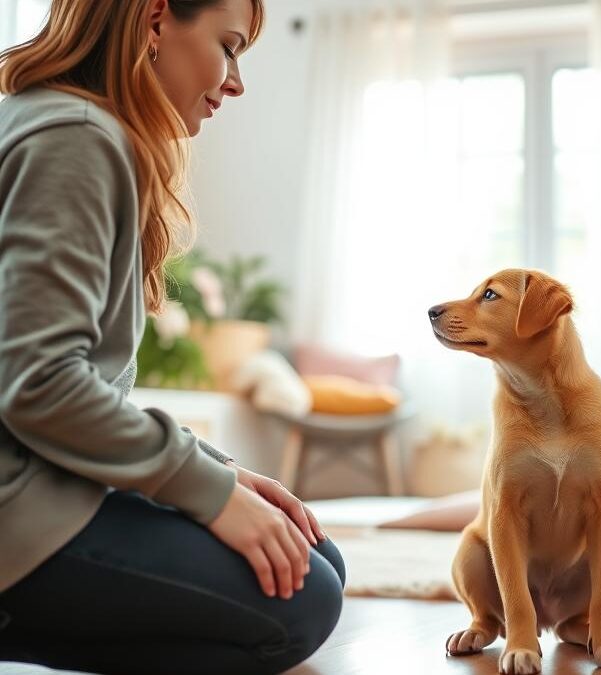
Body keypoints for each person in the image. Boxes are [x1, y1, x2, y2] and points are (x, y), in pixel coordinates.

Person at [0, 2, 344, 673]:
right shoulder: (74, 137)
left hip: (42, 477)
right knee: (303, 600)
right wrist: (205, 492)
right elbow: (39, 385)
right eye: (229, 46)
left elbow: (77, 384)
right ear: (156, 19)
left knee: (311, 553)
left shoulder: (54, 121)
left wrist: (219, 473)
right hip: (19, 508)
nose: (235, 82)